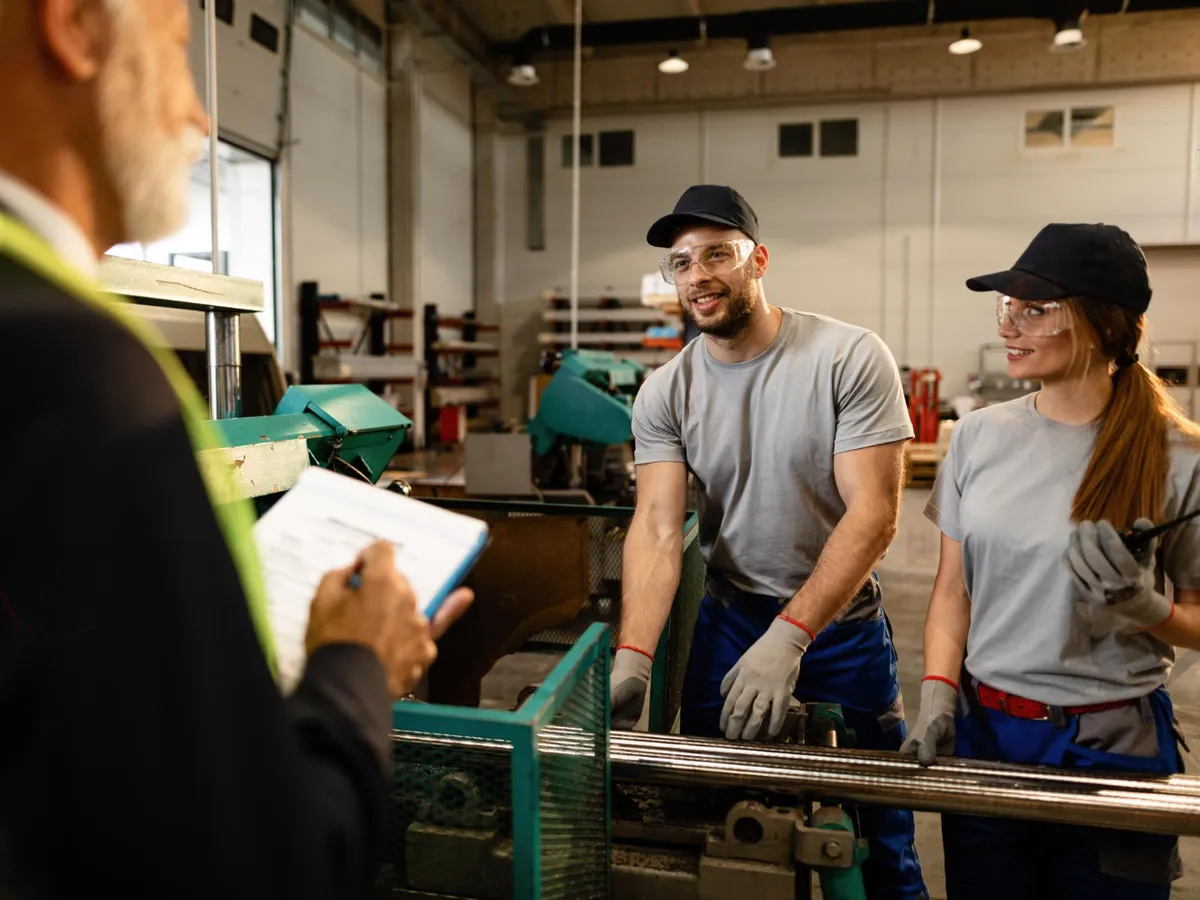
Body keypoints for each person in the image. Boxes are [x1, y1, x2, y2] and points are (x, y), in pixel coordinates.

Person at [0, 1, 471, 898]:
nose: (200, 115)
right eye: (178, 53)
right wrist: (357, 667)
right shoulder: (74, 376)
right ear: (74, 29)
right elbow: (259, 864)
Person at [610, 184, 928, 898]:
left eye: (717, 253)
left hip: (841, 632)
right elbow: (660, 528)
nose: (698, 275)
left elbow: (874, 514)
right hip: (730, 622)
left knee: (878, 848)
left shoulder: (847, 356)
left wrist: (793, 635)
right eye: (681, 262)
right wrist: (634, 656)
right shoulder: (665, 390)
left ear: (758, 259)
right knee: (728, 838)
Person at [900, 222, 1200, 899]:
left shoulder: (1180, 456)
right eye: (1007, 307)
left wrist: (1147, 611)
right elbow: (953, 591)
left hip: (1112, 750)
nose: (1011, 324)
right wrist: (939, 692)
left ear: (1099, 322)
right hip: (989, 737)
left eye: (1035, 308)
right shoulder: (977, 437)